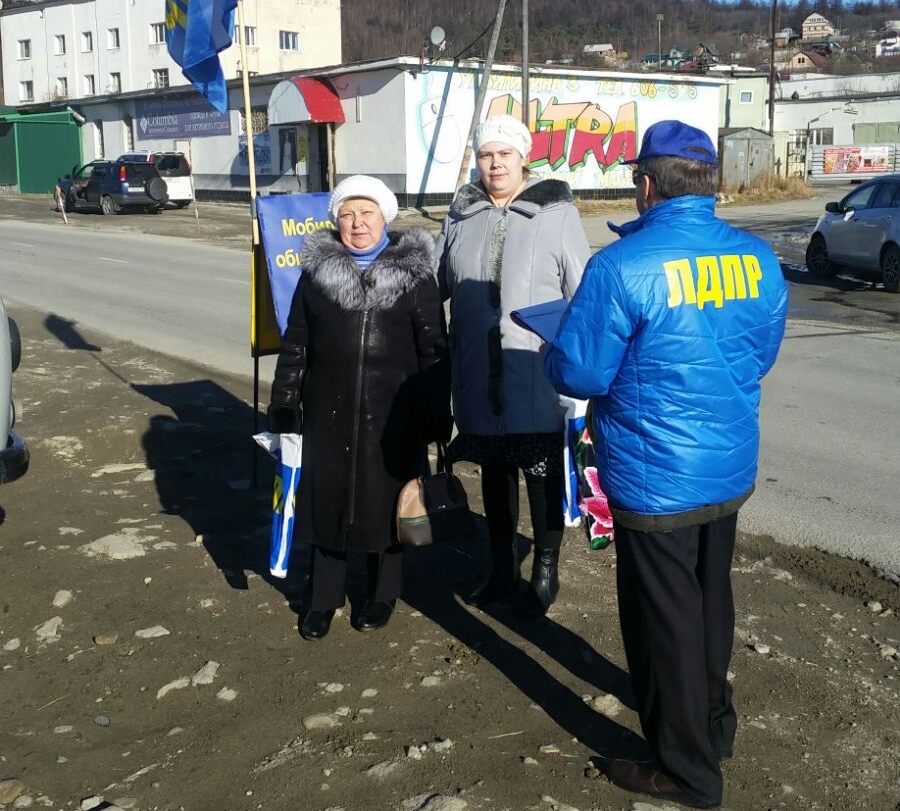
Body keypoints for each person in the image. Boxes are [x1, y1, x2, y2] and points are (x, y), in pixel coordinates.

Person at [543, 121, 789, 808]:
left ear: (647, 185)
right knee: (710, 597)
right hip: (726, 462)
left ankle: (688, 771)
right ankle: (713, 722)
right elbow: (762, 351)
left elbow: (583, 373)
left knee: (664, 620)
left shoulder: (622, 266)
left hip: (655, 474)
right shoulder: (757, 257)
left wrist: (553, 350)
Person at [268, 175, 451, 641]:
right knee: (325, 505)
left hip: (395, 417)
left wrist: (435, 411)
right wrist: (285, 402)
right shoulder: (317, 275)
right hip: (327, 411)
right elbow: (296, 344)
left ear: (384, 217)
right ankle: (322, 599)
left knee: (389, 504)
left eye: (367, 213)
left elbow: (433, 350)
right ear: (336, 220)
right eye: (347, 214)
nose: (357, 223)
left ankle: (382, 594)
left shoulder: (416, 276)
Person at [435, 114, 590, 617]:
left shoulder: (556, 213)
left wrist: (579, 362)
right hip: (478, 371)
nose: (495, 164)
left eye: (505, 154)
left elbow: (581, 293)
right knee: (495, 473)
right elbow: (435, 285)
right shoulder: (461, 215)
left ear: (523, 158)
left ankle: (545, 570)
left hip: (536, 370)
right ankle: (502, 569)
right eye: (486, 155)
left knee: (542, 474)